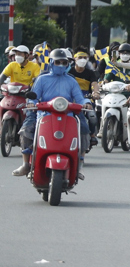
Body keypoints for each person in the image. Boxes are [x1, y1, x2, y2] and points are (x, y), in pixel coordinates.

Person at [12, 48, 90, 177]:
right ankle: (26, 164)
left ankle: (79, 165)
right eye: (58, 62)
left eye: (64, 63)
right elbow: (34, 96)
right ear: (51, 62)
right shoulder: (42, 79)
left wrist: (86, 102)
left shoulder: (71, 80)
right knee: (26, 128)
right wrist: (32, 102)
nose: (61, 65)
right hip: (44, 113)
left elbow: (80, 98)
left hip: (68, 114)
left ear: (68, 64)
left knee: (84, 129)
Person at [69, 48, 101, 144]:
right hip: (71, 98)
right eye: (80, 57)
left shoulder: (90, 73)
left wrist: (96, 93)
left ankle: (92, 135)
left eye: (85, 57)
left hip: (86, 97)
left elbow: (94, 84)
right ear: (75, 58)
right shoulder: (69, 72)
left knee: (91, 115)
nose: (82, 59)